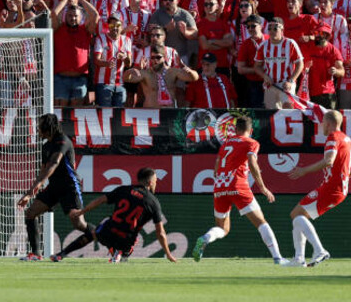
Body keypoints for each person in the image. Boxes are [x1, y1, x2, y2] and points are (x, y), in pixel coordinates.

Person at [192, 117, 287, 265]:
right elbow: (252, 162)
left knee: (222, 228)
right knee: (261, 222)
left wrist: (222, 179)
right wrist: (262, 187)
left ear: (235, 130)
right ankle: (277, 258)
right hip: (238, 185)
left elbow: (217, 167)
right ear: (251, 131)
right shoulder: (251, 143)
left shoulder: (226, 143)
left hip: (220, 186)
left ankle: (205, 238)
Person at [49, 167, 177, 263]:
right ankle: (119, 254)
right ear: (150, 182)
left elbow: (100, 200)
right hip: (127, 240)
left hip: (108, 232)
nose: (156, 183)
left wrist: (82, 211)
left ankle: (61, 254)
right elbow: (160, 233)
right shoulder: (153, 202)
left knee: (93, 233)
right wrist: (168, 254)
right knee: (124, 255)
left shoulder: (123, 189)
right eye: (155, 181)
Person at [17, 113, 93, 261]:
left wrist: (36, 186)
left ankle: (108, 239)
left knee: (78, 223)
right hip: (54, 187)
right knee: (31, 213)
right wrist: (30, 193)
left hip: (69, 186)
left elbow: (54, 164)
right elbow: (43, 170)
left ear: (47, 128)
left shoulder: (63, 141)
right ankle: (36, 254)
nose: (37, 129)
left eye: (40, 127)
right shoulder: (46, 146)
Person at [286, 110, 351, 267]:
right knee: (297, 215)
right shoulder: (347, 139)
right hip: (339, 189)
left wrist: (304, 170)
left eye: (323, 122)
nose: (321, 125)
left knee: (297, 215)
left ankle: (318, 251)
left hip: (332, 188)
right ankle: (299, 259)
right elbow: (350, 171)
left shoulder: (333, 138)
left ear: (329, 124)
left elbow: (328, 161)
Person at [125, 43, 199, 107]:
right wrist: (130, 71)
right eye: (153, 58)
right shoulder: (146, 73)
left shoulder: (172, 72)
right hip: (151, 113)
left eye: (158, 57)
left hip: (168, 113)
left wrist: (188, 70)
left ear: (164, 58)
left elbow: (194, 78)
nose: (155, 60)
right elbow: (127, 79)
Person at [254, 17, 304, 109]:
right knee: (271, 114)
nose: (271, 31)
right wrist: (265, 77)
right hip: (270, 85)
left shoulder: (290, 43)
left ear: (282, 29)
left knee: (288, 110)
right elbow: (257, 66)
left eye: (275, 28)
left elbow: (300, 64)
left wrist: (291, 80)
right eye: (269, 29)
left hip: (286, 84)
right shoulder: (263, 46)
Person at [93, 13, 133, 107]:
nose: (115, 28)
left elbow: (128, 64)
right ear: (108, 26)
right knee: (105, 113)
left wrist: (124, 57)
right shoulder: (101, 38)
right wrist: (107, 63)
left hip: (120, 84)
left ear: (122, 26)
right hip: (103, 83)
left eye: (118, 25)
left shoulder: (127, 40)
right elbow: (96, 60)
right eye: (112, 25)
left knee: (119, 114)